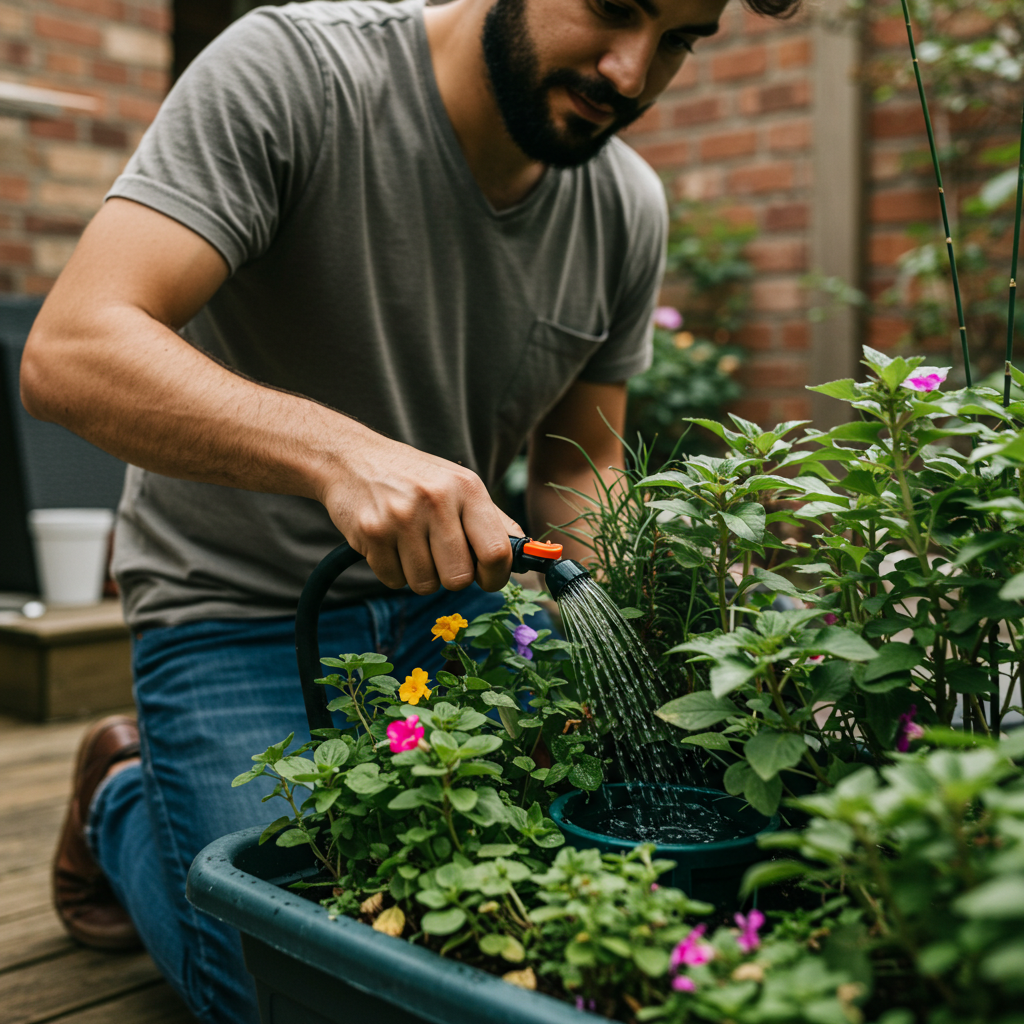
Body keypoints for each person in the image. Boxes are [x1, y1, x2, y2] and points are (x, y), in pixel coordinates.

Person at [21, 0, 800, 1020]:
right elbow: (72, 349)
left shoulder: (625, 207)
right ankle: (121, 793)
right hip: (240, 605)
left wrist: (636, 589)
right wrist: (342, 456)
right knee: (280, 990)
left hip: (457, 607)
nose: (631, 71)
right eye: (615, 8)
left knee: (527, 902)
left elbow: (583, 455)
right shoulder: (295, 73)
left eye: (681, 38)